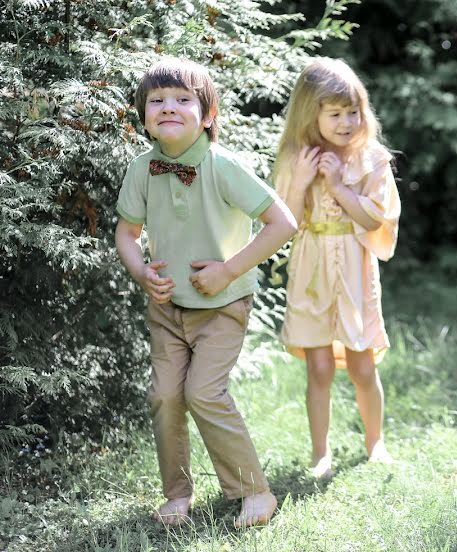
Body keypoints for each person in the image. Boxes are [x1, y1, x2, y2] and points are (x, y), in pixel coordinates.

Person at [115, 57, 296, 528]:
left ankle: (254, 491)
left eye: (182, 99)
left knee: (204, 393)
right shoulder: (141, 169)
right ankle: (177, 495)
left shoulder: (222, 166)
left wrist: (228, 270)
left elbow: (283, 223)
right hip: (167, 307)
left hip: (223, 306)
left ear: (208, 114)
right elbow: (126, 233)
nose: (168, 107)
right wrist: (141, 273)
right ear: (144, 115)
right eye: (157, 101)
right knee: (165, 396)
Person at [273, 57, 400, 480]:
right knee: (320, 366)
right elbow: (284, 223)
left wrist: (339, 187)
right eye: (335, 113)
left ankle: (375, 441)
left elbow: (373, 219)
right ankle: (320, 453)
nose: (347, 122)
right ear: (312, 113)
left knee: (363, 365)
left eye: (353, 111)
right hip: (311, 268)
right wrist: (301, 180)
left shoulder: (371, 158)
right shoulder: (297, 156)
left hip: (353, 266)